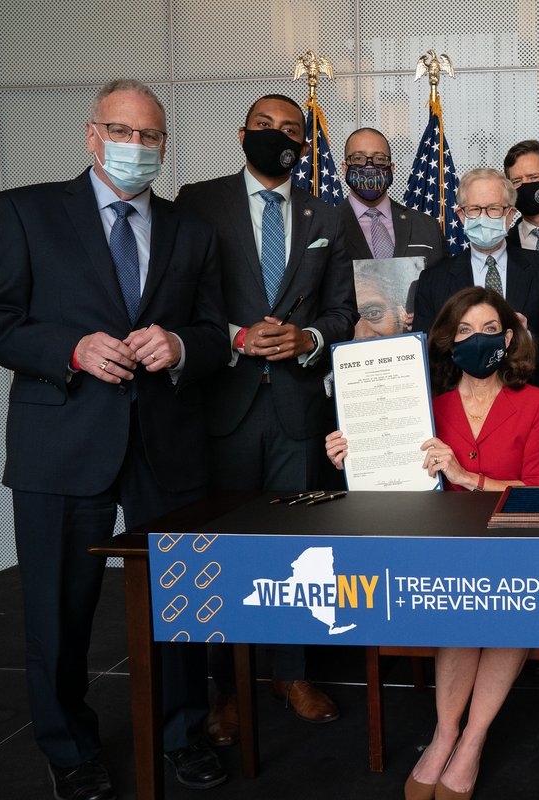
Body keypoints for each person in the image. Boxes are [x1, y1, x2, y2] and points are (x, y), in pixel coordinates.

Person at [0, 78, 228, 798]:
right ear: (91, 134)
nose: (135, 147)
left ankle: (183, 731)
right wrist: (71, 350)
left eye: (149, 136)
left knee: (182, 600)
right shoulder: (26, 212)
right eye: (122, 131)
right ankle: (67, 745)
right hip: (63, 438)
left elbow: (213, 336)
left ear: (164, 145)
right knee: (56, 608)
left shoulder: (191, 231)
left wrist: (179, 344)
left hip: (165, 443)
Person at [174, 93, 357, 741]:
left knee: (299, 551)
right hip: (223, 405)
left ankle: (291, 672)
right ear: (241, 133)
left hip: (298, 410)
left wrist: (307, 339)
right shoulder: (197, 203)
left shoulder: (328, 214)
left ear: (304, 144)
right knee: (222, 550)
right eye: (265, 126)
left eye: (290, 130)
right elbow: (175, 300)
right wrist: (232, 336)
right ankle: (227, 687)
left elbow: (344, 313)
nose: (277, 136)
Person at [326, 287, 539, 800]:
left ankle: (472, 739)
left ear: (510, 336)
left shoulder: (535, 403)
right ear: (450, 343)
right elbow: (393, 478)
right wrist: (352, 456)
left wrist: (466, 476)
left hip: (514, 543)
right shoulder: (426, 407)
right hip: (447, 547)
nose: (478, 341)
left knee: (506, 602)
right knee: (458, 603)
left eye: (490, 331)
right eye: (465, 332)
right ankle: (444, 733)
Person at [412, 168, 539, 389]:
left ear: (509, 214)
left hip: (527, 398)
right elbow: (427, 356)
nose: (483, 217)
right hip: (460, 403)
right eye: (475, 209)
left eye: (493, 209)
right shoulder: (433, 280)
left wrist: (524, 336)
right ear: (461, 215)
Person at [340, 126, 447, 266]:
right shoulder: (326, 225)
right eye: (358, 158)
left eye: (379, 159)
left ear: (391, 168)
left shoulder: (427, 226)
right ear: (344, 168)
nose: (369, 166)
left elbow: (444, 281)